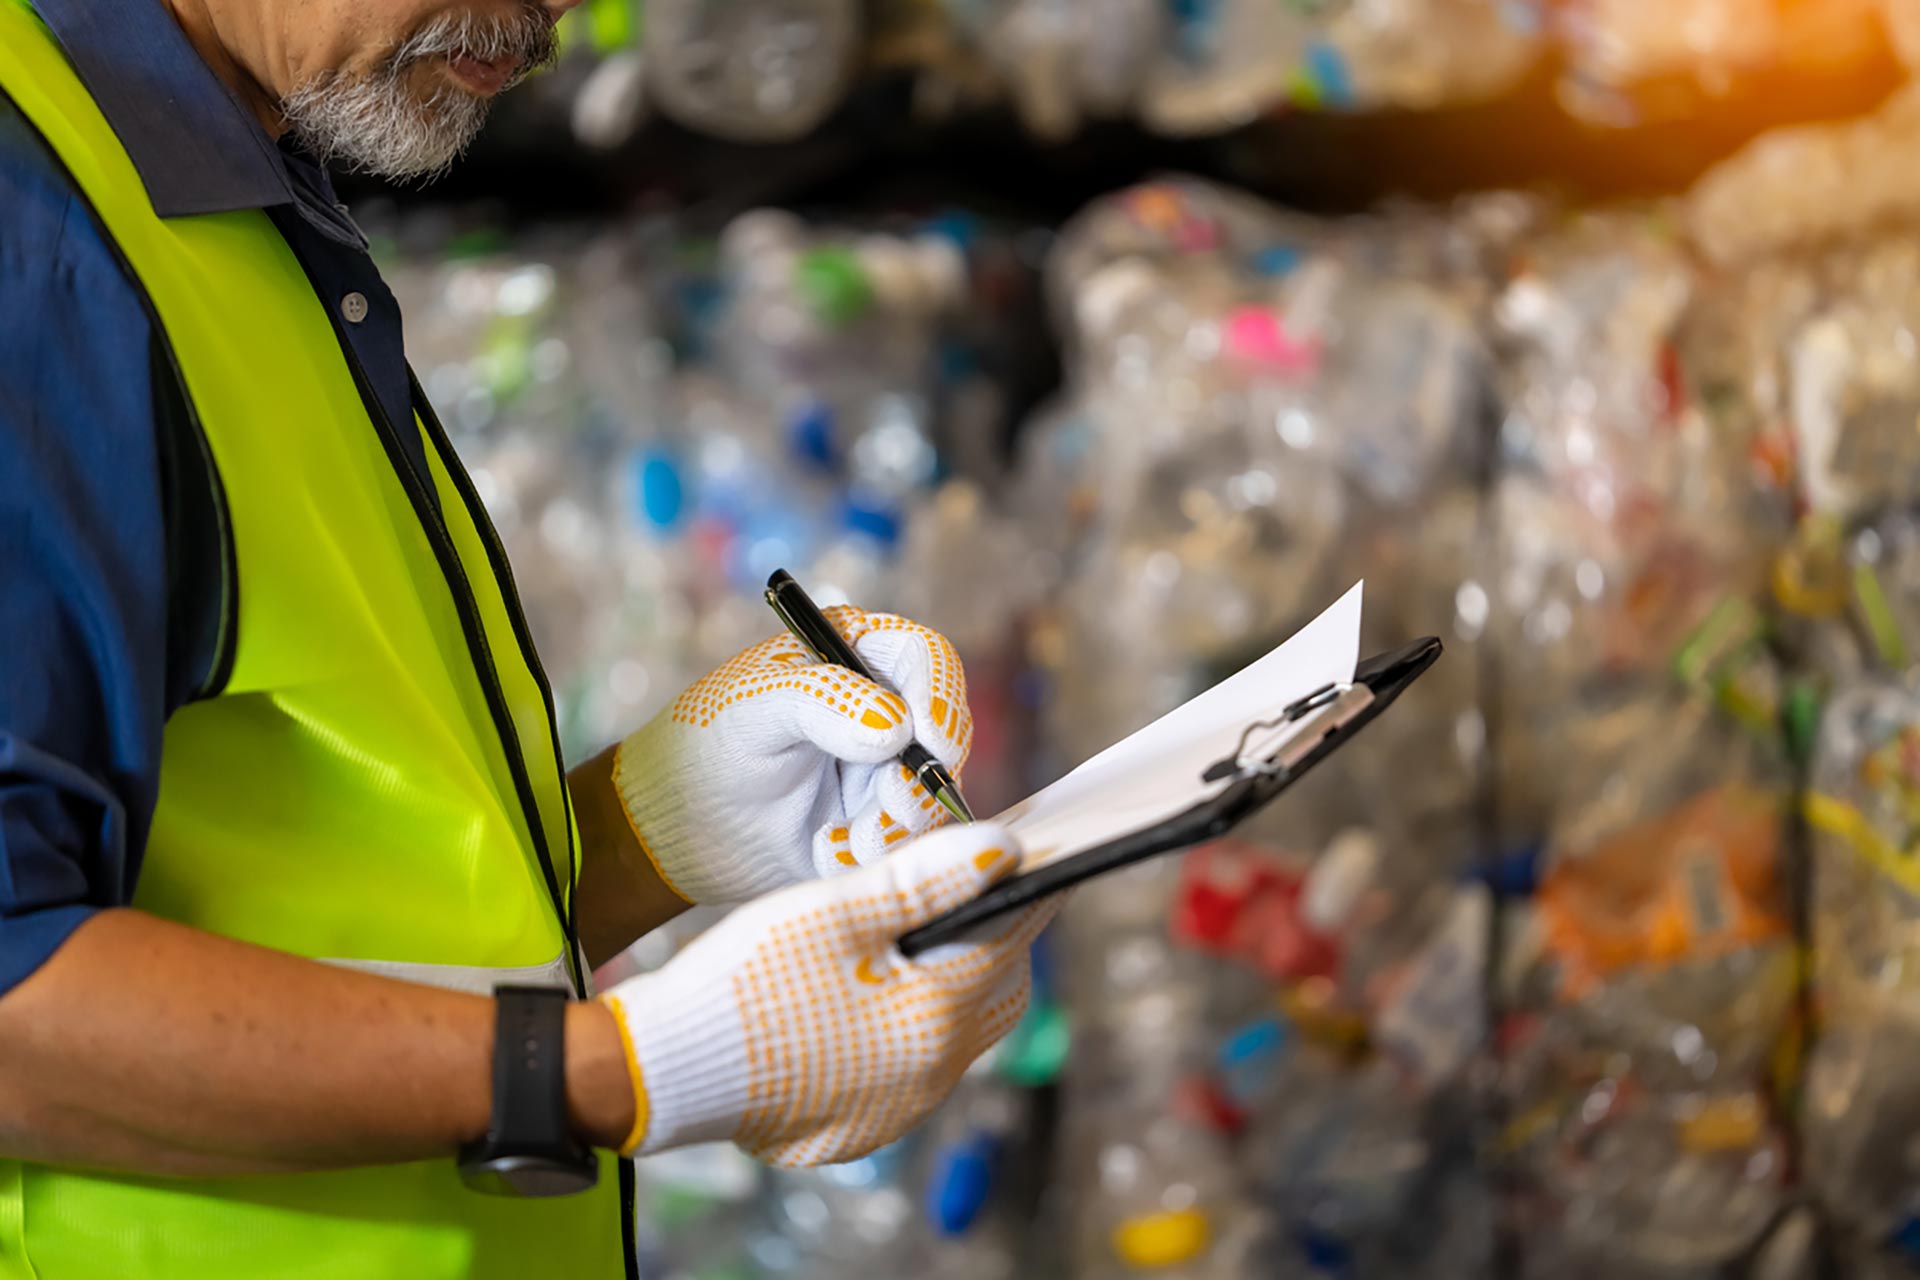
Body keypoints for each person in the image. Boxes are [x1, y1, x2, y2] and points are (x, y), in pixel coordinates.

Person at [0, 1, 1050, 1276]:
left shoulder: (224, 192)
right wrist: (611, 1070)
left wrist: (645, 825)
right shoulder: (35, 220)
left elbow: (310, 877)